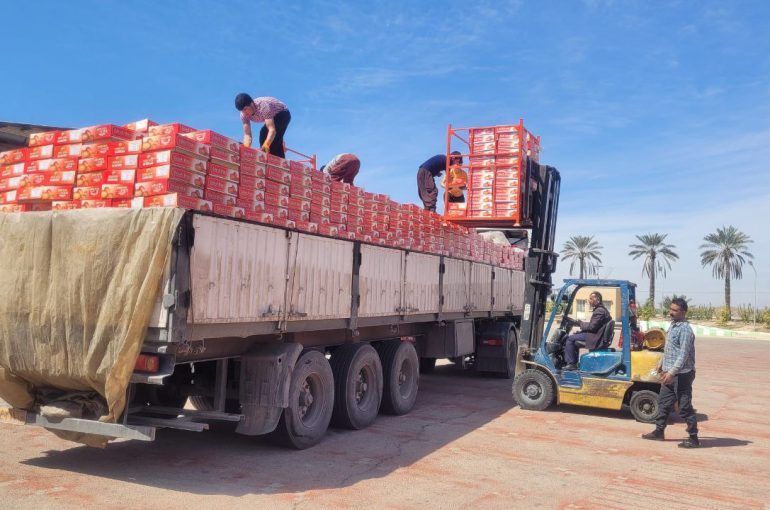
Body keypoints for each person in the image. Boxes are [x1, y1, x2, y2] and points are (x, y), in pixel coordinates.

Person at [642, 297, 699, 448]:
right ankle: (659, 432)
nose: (671, 312)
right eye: (671, 309)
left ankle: (694, 438)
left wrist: (672, 372)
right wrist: (661, 363)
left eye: (675, 310)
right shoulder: (673, 325)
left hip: (682, 375)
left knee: (684, 406)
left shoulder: (685, 330)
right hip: (669, 372)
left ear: (683, 312)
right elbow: (670, 349)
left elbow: (683, 354)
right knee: (663, 403)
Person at [563, 291, 611, 370]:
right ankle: (574, 362)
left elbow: (592, 327)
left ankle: (571, 363)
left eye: (591, 299)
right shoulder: (601, 310)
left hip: (595, 337)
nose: (589, 301)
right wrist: (581, 328)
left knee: (570, 339)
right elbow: (594, 325)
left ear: (597, 300)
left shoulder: (600, 311)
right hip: (597, 334)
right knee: (575, 337)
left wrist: (580, 323)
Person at [235, 93, 291, 158]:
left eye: (245, 109)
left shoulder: (263, 106)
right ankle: (271, 159)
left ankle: (277, 163)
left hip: (283, 113)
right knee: (265, 135)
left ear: (252, 104)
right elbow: (247, 134)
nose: (244, 112)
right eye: (241, 110)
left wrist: (266, 145)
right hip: (272, 116)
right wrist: (246, 148)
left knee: (266, 135)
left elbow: (272, 130)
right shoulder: (243, 115)